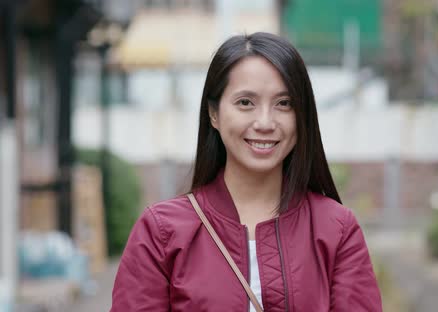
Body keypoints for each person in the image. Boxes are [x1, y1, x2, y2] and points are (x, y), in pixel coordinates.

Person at [110, 32, 382, 311]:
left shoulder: (336, 229)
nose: (265, 122)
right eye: (245, 103)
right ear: (213, 114)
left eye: (284, 103)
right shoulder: (162, 232)